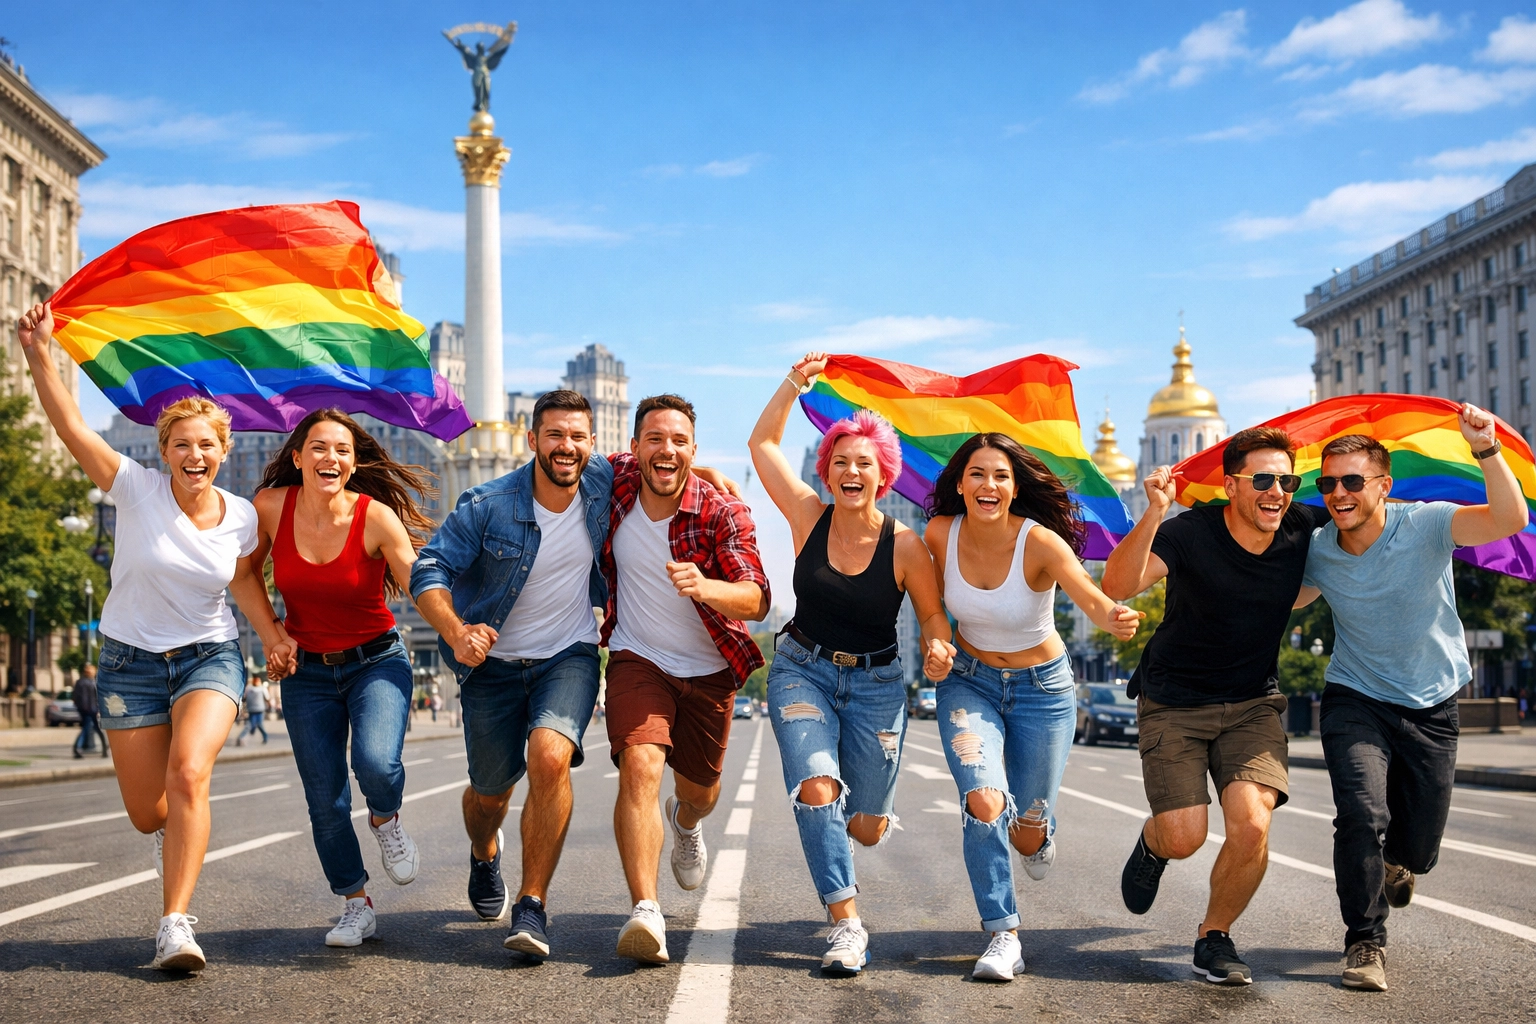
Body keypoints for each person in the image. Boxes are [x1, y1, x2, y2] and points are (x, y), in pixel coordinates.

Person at [410, 390, 737, 960]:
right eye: (554, 435)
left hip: (571, 653)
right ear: (531, 440)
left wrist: (703, 472)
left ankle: (532, 905)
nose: (567, 447)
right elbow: (429, 567)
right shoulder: (485, 503)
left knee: (549, 756)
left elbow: (659, 458)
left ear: (593, 445)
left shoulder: (600, 478)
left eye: (578, 437)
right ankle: (485, 851)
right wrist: (459, 629)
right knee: (489, 796)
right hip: (489, 663)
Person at [16, 303, 293, 972]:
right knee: (149, 814)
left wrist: (273, 637)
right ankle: (173, 839)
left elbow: (245, 584)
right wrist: (38, 351)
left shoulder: (240, 519)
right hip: (128, 663)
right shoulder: (132, 488)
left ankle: (175, 923)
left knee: (190, 772)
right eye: (181, 445)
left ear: (224, 451)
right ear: (163, 451)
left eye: (206, 445)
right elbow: (68, 424)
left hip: (209, 657)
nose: (194, 455)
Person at [1294, 411, 1527, 992]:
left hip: (1432, 700)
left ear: (1383, 485)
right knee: (1360, 816)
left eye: (1352, 482)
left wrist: (1486, 450)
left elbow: (1509, 518)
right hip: (1356, 696)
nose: (1338, 495)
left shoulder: (1427, 525)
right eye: (1327, 484)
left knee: (1418, 850)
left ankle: (1399, 864)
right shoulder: (1319, 548)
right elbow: (1283, 601)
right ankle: (1364, 941)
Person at [1102, 426, 1328, 985]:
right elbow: (1118, 582)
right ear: (1231, 485)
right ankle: (1154, 844)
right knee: (1185, 837)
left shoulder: (1303, 526)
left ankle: (1214, 937)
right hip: (1174, 699)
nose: (1278, 491)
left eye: (1288, 481)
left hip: (1252, 703)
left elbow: (1370, 518)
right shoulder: (1190, 531)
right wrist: (1153, 512)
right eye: (1264, 480)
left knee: (1252, 823)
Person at [749, 352, 952, 975]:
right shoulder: (807, 515)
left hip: (877, 685)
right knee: (815, 789)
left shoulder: (906, 546)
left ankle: (865, 818)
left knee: (863, 826)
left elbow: (933, 616)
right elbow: (761, 444)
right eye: (840, 461)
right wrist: (791, 384)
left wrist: (940, 646)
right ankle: (846, 922)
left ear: (883, 475)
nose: (850, 470)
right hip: (801, 669)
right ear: (827, 472)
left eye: (863, 462)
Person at [923, 433, 1143, 981]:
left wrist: (1112, 617)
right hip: (968, 683)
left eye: (999, 475)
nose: (987, 484)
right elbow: (929, 608)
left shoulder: (1040, 541)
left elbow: (1089, 597)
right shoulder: (938, 533)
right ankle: (1003, 934)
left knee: (1024, 828)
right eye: (976, 474)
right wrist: (935, 644)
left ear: (1014, 487)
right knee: (983, 798)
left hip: (1042, 690)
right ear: (960, 484)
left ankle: (1039, 832)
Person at [251, 408, 435, 947]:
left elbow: (420, 584)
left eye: (343, 450)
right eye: (319, 447)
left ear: (353, 464)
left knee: (376, 766)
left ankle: (385, 819)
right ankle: (356, 903)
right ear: (298, 456)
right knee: (325, 799)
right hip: (306, 673)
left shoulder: (376, 517)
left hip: (376, 660)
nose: (331, 457)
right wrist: (273, 635)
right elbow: (243, 575)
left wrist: (461, 627)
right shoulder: (268, 507)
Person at [602, 395, 769, 963]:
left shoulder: (723, 512)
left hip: (708, 669)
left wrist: (705, 586)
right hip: (637, 656)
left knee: (700, 794)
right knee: (641, 764)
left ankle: (685, 821)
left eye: (678, 442)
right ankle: (645, 910)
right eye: (654, 439)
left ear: (693, 451)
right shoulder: (617, 483)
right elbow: (567, 453)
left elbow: (756, 596)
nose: (665, 450)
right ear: (634, 449)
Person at [73, 663, 107, 759]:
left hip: (84, 710)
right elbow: (98, 697)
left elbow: (75, 697)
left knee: (89, 728)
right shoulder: (93, 682)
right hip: (92, 710)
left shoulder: (79, 682)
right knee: (91, 729)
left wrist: (79, 707)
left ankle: (104, 748)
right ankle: (78, 748)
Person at [236, 678, 269, 745]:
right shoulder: (249, 688)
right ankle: (242, 737)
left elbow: (267, 698)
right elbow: (244, 697)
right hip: (252, 709)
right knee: (251, 724)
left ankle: (265, 736)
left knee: (259, 725)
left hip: (259, 710)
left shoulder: (262, 688)